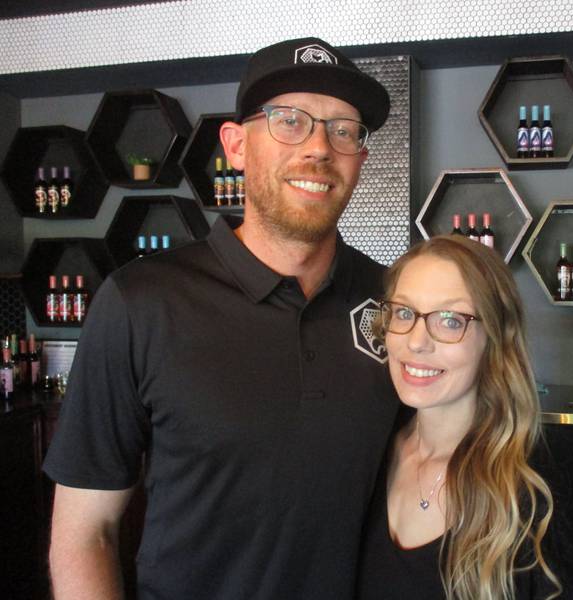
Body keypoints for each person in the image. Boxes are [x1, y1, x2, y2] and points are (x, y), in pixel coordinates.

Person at [44, 37, 399, 600]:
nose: (319, 148)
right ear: (235, 145)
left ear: (360, 155)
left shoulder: (395, 302)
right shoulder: (140, 301)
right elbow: (86, 534)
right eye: (289, 120)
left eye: (343, 129)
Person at [357, 235, 573, 600]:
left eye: (450, 321)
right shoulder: (365, 457)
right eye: (403, 312)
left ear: (495, 338)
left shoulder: (530, 502)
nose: (417, 341)